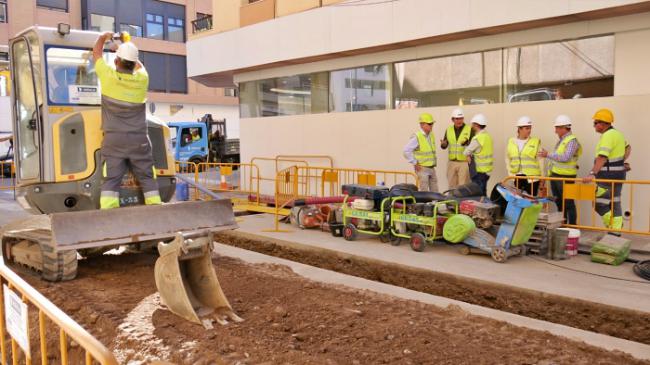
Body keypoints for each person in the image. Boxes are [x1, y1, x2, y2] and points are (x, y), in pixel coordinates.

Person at [93, 32, 161, 209]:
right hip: (139, 141)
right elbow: (139, 66)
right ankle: (156, 209)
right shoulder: (142, 79)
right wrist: (126, 43)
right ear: (133, 63)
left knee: (111, 179)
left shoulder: (108, 77)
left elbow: (97, 54)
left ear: (116, 61)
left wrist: (102, 38)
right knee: (147, 177)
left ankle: (109, 214)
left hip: (114, 140)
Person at [582, 108, 630, 233]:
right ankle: (616, 231)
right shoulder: (617, 134)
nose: (594, 126)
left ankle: (613, 226)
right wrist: (621, 162)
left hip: (608, 175)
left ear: (602, 123)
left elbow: (602, 157)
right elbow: (628, 147)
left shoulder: (608, 136)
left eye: (595, 123)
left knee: (599, 203)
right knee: (615, 202)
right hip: (619, 174)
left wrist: (592, 174)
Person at [538, 115, 581, 225]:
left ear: (563, 128)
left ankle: (571, 226)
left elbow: (566, 157)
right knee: (559, 201)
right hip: (556, 176)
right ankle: (563, 224)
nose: (555, 131)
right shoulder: (562, 140)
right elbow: (557, 158)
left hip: (566, 177)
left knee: (568, 202)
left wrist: (548, 154)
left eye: (557, 128)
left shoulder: (571, 141)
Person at [505, 116, 542, 196]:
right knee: (518, 202)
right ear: (520, 129)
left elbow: (540, 161)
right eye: (527, 128)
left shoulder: (535, 142)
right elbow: (507, 159)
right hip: (517, 177)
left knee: (530, 203)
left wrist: (543, 178)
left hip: (532, 179)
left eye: (530, 128)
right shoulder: (511, 141)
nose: (529, 130)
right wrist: (510, 174)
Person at [403, 113, 438, 192]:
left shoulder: (431, 135)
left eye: (432, 123)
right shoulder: (417, 136)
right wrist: (415, 162)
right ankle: (424, 204)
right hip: (422, 168)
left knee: (435, 191)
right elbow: (406, 151)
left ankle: (436, 203)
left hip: (431, 167)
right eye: (429, 124)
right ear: (422, 125)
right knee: (424, 191)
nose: (431, 125)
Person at [440, 108, 472, 189]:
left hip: (464, 163)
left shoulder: (469, 129)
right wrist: (443, 144)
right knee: (452, 186)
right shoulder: (449, 130)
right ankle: (452, 201)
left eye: (461, 118)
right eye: (457, 119)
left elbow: (474, 145)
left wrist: (467, 142)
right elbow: (445, 144)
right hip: (452, 163)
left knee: (463, 187)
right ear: (452, 119)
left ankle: (462, 202)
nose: (459, 121)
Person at [463, 114, 493, 196]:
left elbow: (466, 151)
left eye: (472, 124)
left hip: (479, 172)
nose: (471, 126)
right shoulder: (487, 136)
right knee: (483, 194)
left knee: (478, 196)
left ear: (476, 125)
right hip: (487, 171)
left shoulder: (478, 138)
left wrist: (468, 155)